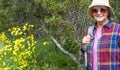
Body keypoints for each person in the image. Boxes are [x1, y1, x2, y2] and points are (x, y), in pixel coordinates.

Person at [81, 0, 120, 70]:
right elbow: (84, 54)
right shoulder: (90, 31)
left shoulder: (117, 29)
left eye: (102, 10)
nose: (99, 13)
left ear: (108, 11)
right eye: (95, 10)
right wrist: (83, 44)